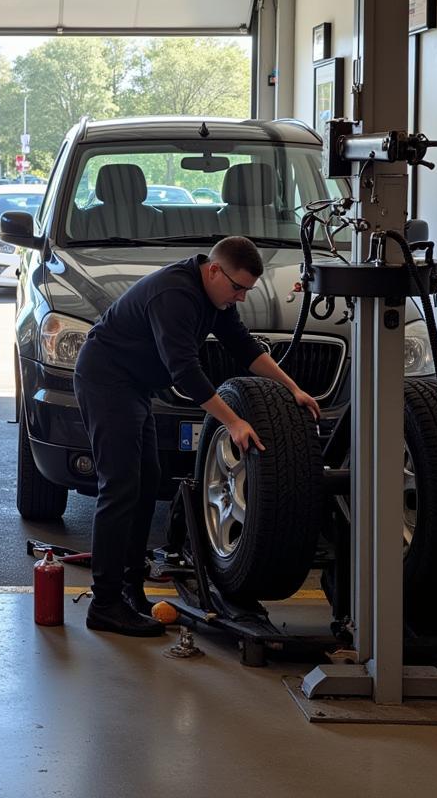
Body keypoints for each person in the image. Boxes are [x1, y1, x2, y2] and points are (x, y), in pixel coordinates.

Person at [73, 236, 321, 637]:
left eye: (247, 290)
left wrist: (292, 387)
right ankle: (104, 604)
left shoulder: (216, 298)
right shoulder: (176, 295)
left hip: (135, 387)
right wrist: (233, 422)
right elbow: (185, 373)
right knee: (119, 486)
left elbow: (244, 348)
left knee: (146, 481)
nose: (240, 297)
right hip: (106, 380)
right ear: (214, 270)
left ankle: (130, 591)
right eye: (237, 287)